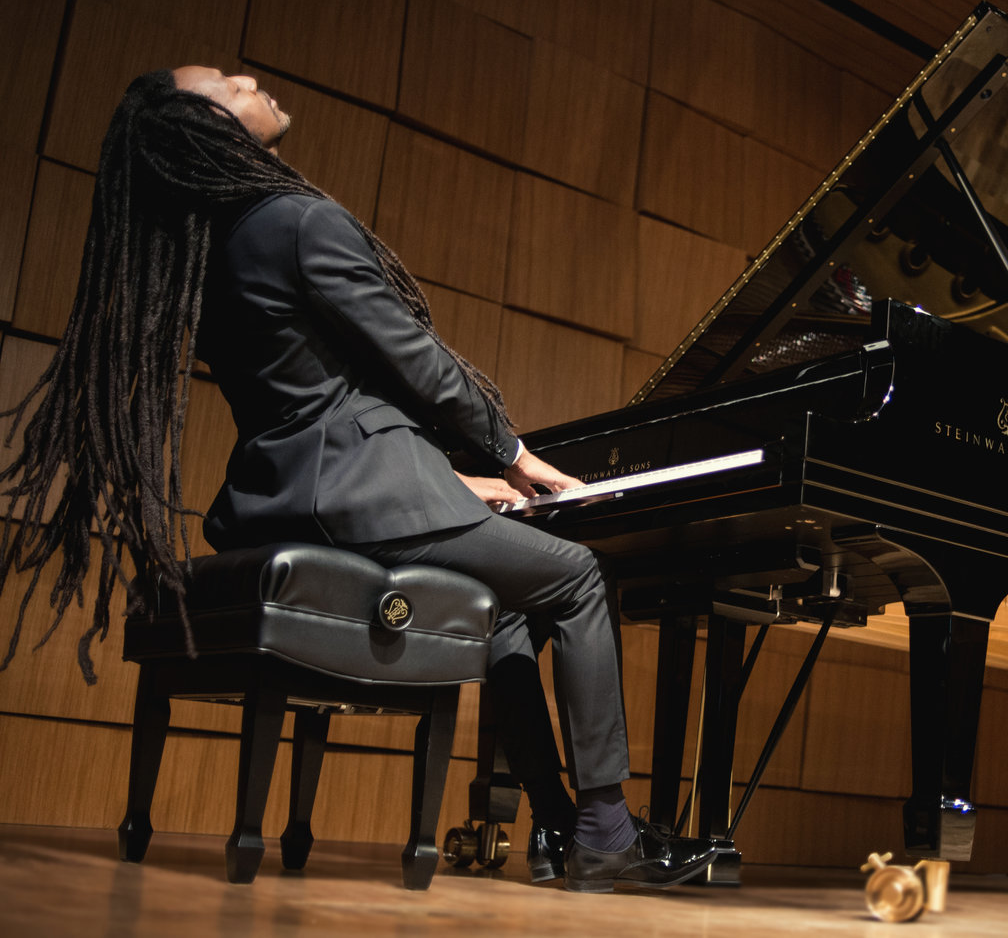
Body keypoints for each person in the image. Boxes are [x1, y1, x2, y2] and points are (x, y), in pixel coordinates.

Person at [0, 66, 714, 893]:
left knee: (510, 609)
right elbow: (417, 365)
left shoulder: (208, 252)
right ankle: (606, 831)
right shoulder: (301, 220)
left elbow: (314, 400)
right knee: (579, 577)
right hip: (367, 500)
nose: (249, 78)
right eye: (226, 82)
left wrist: (447, 483)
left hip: (283, 505)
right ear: (211, 127)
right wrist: (511, 454)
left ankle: (560, 823)